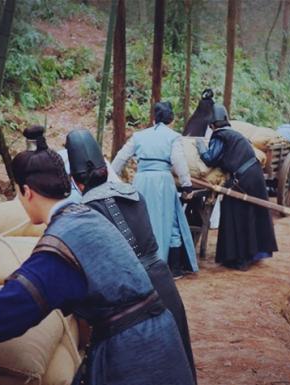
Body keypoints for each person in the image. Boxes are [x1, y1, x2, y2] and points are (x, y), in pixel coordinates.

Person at [0, 126, 194, 385]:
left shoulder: (62, 242)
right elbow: (28, 290)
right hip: (159, 338)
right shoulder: (85, 217)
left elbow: (10, 310)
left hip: (136, 357)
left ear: (27, 191)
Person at [65, 128, 196, 382]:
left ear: (75, 181)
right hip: (164, 287)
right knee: (176, 367)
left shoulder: (84, 215)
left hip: (131, 303)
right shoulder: (135, 195)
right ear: (105, 168)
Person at [111, 101, 199, 276]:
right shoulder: (173, 136)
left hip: (142, 180)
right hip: (163, 182)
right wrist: (187, 184)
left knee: (141, 220)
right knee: (171, 221)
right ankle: (173, 269)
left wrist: (111, 177)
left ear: (153, 119)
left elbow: (121, 157)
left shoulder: (139, 136)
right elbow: (179, 161)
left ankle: (142, 265)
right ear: (171, 119)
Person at [196, 104, 278, 271]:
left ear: (212, 124)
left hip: (243, 178)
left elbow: (210, 159)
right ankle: (252, 254)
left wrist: (200, 147)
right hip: (254, 174)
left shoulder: (220, 135)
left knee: (236, 213)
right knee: (252, 213)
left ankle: (239, 259)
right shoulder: (235, 134)